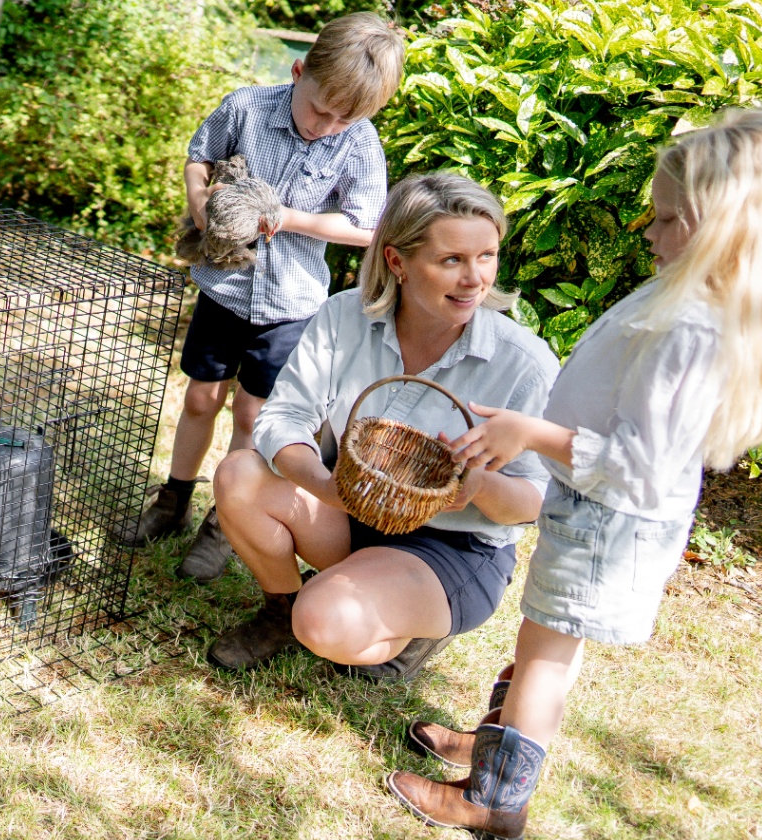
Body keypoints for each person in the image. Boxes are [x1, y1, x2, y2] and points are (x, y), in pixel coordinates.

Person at [390, 109, 762, 840]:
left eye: (667, 219)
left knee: (546, 657)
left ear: (714, 227)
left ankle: (494, 801)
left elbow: (639, 465)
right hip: (593, 513)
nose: (650, 233)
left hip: (609, 521)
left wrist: (529, 432)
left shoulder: (692, 330)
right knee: (542, 644)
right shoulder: (689, 292)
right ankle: (491, 743)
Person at [204, 173, 560, 680]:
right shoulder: (344, 316)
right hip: (352, 509)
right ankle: (278, 610)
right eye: (452, 260)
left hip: (448, 546)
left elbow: (537, 501)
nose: (475, 278)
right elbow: (284, 418)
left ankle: (409, 632)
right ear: (397, 262)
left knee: (325, 623)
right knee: (239, 475)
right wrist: (326, 487)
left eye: (487, 256)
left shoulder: (524, 363)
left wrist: (475, 485)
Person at [114, 14, 404, 584]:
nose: (329, 125)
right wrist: (202, 204)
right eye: (321, 109)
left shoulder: (358, 142)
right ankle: (173, 500)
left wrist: (289, 219)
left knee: (252, 410)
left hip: (291, 306)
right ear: (298, 72)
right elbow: (199, 156)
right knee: (201, 398)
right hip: (224, 287)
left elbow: (368, 226)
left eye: (348, 117)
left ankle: (223, 522)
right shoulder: (246, 106)